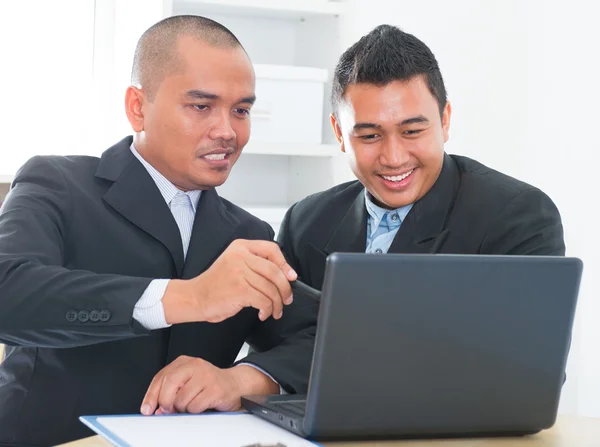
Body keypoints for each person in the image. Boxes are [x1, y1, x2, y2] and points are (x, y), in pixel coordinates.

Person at [0, 15, 317, 447]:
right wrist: (191, 297)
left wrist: (241, 379)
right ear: (137, 107)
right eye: (201, 106)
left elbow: (323, 339)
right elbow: (10, 295)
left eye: (241, 110)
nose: (228, 131)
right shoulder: (57, 183)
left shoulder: (249, 233)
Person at [277, 24, 564, 290]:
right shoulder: (304, 223)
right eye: (369, 136)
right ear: (339, 134)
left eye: (412, 131)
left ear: (445, 120)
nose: (393, 158)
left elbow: (524, 343)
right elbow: (280, 343)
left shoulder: (517, 217)